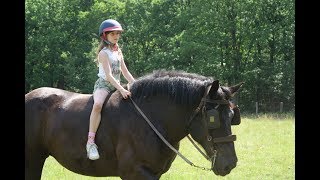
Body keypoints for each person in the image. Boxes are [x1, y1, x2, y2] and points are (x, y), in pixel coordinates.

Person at [86, 19, 135, 160]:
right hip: (104, 85)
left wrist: (136, 84)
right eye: (112, 34)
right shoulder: (103, 53)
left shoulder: (118, 51)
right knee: (97, 105)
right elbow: (108, 76)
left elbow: (125, 72)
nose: (116, 36)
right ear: (104, 35)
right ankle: (90, 142)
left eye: (118, 34)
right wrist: (121, 89)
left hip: (117, 84)